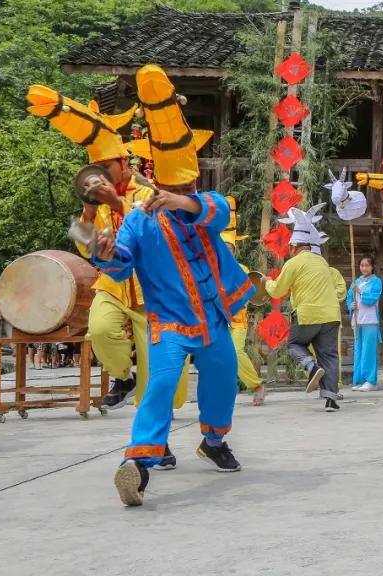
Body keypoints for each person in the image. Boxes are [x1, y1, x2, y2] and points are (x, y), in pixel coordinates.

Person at [93, 63, 253, 507]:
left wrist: (182, 199)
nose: (183, 185)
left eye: (187, 181)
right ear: (157, 178)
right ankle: (139, 466)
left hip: (213, 317)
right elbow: (121, 266)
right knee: (160, 385)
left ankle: (213, 440)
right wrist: (102, 251)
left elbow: (215, 209)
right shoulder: (138, 220)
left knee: (222, 379)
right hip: (169, 322)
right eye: (174, 182)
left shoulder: (204, 205)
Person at [26, 85, 190, 411]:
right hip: (114, 284)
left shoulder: (145, 191)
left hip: (150, 288)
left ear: (122, 162)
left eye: (105, 168)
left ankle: (154, 423)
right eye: (93, 171)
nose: (98, 177)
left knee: (158, 372)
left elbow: (153, 233)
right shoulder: (94, 203)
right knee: (98, 332)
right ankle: (122, 376)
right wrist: (88, 211)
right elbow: (85, 248)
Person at [264, 206, 347, 412]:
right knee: (329, 355)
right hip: (331, 315)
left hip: (308, 314)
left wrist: (266, 282)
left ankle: (311, 367)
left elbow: (276, 291)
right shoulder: (322, 262)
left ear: (293, 247)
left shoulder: (293, 263)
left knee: (293, 344)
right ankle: (331, 399)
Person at [221, 198, 265, 407]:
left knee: (236, 352)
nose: (226, 252)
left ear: (234, 250)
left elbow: (245, 296)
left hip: (237, 322)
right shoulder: (211, 270)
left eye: (229, 248)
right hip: (216, 323)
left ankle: (257, 385)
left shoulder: (243, 270)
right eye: (223, 248)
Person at [347, 255, 383, 392]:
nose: (364, 268)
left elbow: (372, 299)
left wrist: (360, 292)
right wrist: (351, 304)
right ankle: (359, 380)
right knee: (358, 351)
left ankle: (371, 381)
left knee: (368, 351)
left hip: (370, 320)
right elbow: (349, 297)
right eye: (362, 265)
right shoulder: (356, 282)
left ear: (372, 266)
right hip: (357, 320)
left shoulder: (376, 282)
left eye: (367, 265)